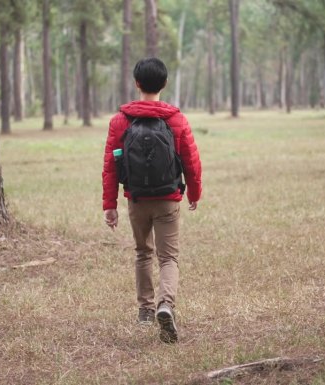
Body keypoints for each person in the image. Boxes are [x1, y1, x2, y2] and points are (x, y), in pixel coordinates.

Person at [101, 57, 202, 344]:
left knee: (143, 252)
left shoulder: (120, 121)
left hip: (137, 199)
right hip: (168, 198)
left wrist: (110, 205)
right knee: (168, 257)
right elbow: (192, 161)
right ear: (164, 83)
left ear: (137, 83)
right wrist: (194, 192)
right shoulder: (176, 120)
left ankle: (145, 310)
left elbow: (110, 165)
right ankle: (165, 305)